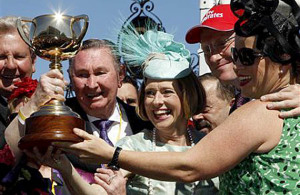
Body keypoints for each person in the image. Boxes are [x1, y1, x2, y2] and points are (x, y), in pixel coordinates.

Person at [54, 2, 300, 194]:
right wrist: (65, 166)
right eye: (149, 92)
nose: (236, 64)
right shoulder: (136, 144)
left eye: (247, 56)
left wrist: (110, 154)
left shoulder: (263, 110)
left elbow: (190, 165)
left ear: (282, 57)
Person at [186, 4, 300, 117]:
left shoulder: (291, 95)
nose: (214, 57)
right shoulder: (232, 101)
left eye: (222, 44)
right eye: (206, 49)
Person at [0, 16, 36, 180]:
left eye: (19, 57)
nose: (11, 65)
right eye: (1, 57)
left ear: (33, 62)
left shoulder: (50, 104)